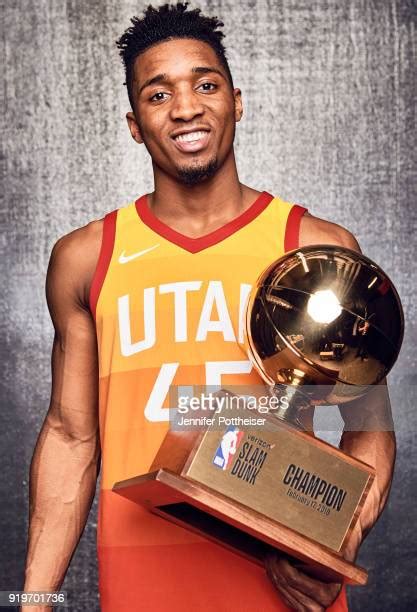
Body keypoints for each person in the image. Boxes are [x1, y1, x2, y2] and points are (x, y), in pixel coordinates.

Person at [23, 3, 396, 611]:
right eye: (158, 93)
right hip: (143, 586)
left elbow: (369, 424)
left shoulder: (313, 248)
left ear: (236, 101)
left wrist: (336, 543)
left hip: (282, 587)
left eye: (205, 84)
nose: (187, 107)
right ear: (134, 124)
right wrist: (30, 602)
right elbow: (70, 438)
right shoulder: (88, 257)